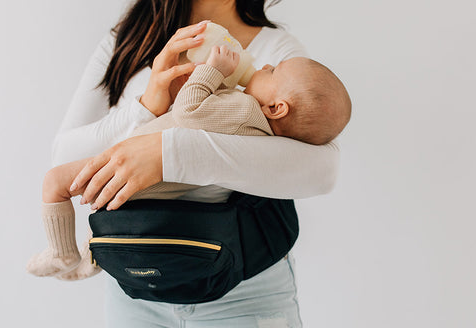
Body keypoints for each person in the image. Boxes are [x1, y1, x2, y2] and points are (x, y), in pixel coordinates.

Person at [44, 1, 341, 326]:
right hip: (136, 285)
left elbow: (322, 171)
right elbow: (64, 159)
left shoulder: (277, 50)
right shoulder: (130, 37)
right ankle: (77, 253)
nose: (266, 68)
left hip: (244, 291)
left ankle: (75, 253)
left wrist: (166, 154)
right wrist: (147, 107)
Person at [27, 43, 351, 278]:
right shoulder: (254, 123)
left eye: (274, 71)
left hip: (140, 176)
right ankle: (86, 258)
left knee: (54, 182)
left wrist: (212, 71)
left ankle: (61, 253)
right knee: (112, 212)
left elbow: (189, 112)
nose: (265, 66)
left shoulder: (245, 110)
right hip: (162, 194)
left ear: (276, 108)